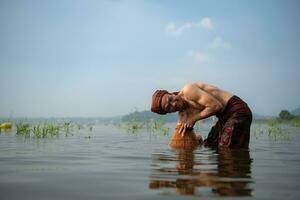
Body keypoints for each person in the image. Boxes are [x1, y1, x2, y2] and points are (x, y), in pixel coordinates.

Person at [151, 83, 252, 148]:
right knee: (209, 145)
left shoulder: (188, 91)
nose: (174, 104)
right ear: (170, 112)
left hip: (237, 111)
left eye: (170, 99)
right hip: (224, 117)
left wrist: (193, 119)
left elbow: (217, 106)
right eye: (169, 108)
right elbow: (181, 130)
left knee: (226, 149)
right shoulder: (182, 112)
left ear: (171, 93)